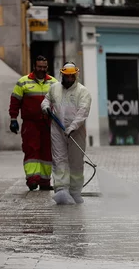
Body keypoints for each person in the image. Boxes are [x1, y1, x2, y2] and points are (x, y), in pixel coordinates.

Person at [41, 61, 92, 205]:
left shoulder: (83, 92)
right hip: (57, 130)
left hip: (76, 132)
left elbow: (83, 112)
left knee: (76, 162)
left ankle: (75, 191)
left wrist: (73, 127)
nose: (69, 79)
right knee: (59, 159)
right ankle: (61, 189)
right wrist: (45, 106)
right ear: (62, 75)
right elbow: (46, 99)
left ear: (76, 75)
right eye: (66, 76)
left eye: (71, 76)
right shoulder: (54, 88)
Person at [9, 55, 58, 191]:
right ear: (34, 67)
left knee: (47, 152)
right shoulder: (23, 82)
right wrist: (13, 119)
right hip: (31, 124)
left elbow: (59, 103)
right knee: (31, 150)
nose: (42, 69)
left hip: (48, 124)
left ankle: (44, 181)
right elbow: (15, 101)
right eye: (39, 67)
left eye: (44, 67)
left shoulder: (53, 83)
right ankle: (32, 179)